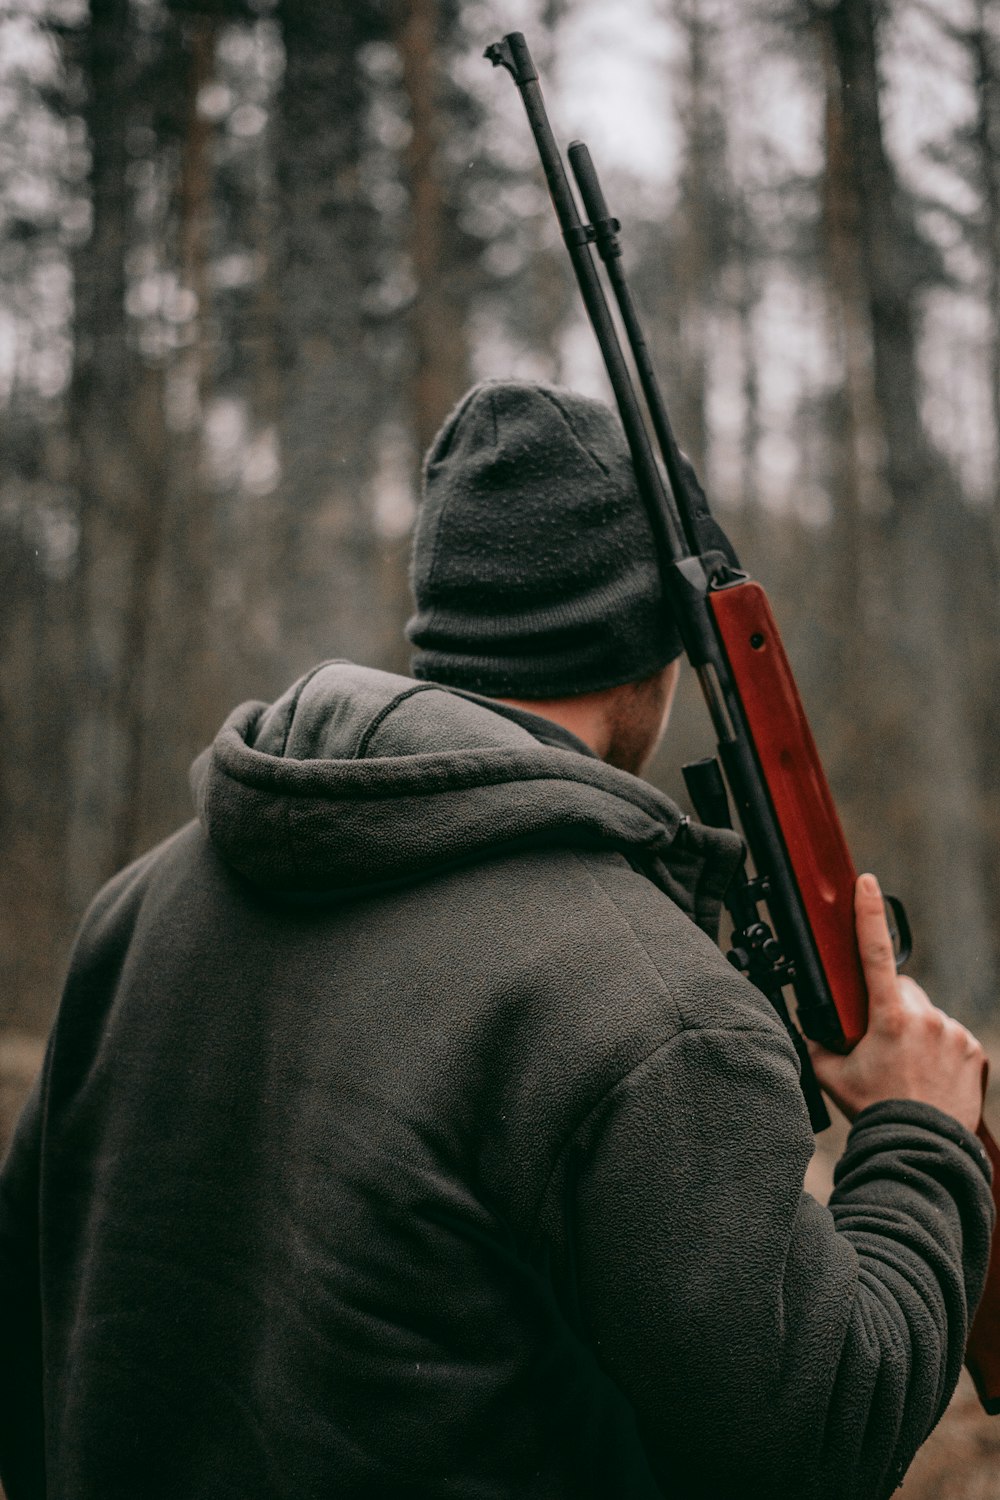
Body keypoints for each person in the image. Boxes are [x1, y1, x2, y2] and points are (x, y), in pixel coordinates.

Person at [0, 380, 992, 1500]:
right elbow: (819, 1436)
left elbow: (32, 1341)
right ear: (655, 653)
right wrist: (920, 1132)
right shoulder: (653, 1014)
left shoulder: (135, 910)